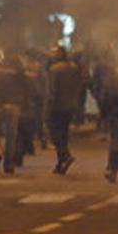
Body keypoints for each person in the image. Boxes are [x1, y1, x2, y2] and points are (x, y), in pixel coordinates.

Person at [0, 53, 31, 174]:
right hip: (13, 105)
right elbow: (27, 90)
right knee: (11, 137)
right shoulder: (21, 74)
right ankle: (9, 164)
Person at [45, 47, 85, 175]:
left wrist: (48, 107)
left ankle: (65, 156)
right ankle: (61, 161)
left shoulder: (54, 69)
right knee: (63, 133)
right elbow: (80, 85)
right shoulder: (74, 68)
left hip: (57, 107)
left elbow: (52, 91)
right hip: (71, 106)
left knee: (55, 134)